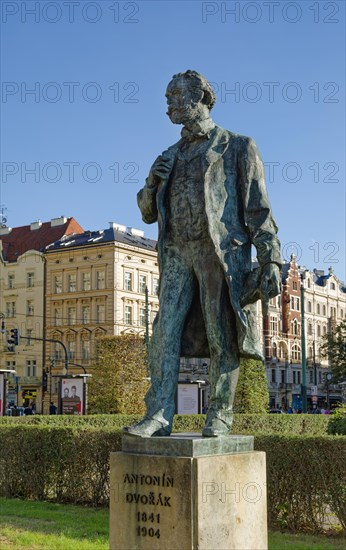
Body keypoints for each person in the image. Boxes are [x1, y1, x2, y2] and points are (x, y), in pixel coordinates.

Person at [126, 70, 282, 438]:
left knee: (220, 332)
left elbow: (258, 210)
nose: (169, 104)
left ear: (200, 98)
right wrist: (151, 182)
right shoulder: (168, 156)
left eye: (175, 96)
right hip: (177, 252)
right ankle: (160, 414)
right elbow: (148, 212)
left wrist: (271, 257)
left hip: (220, 254)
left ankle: (220, 413)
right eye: (167, 98)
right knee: (165, 331)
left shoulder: (238, 146)